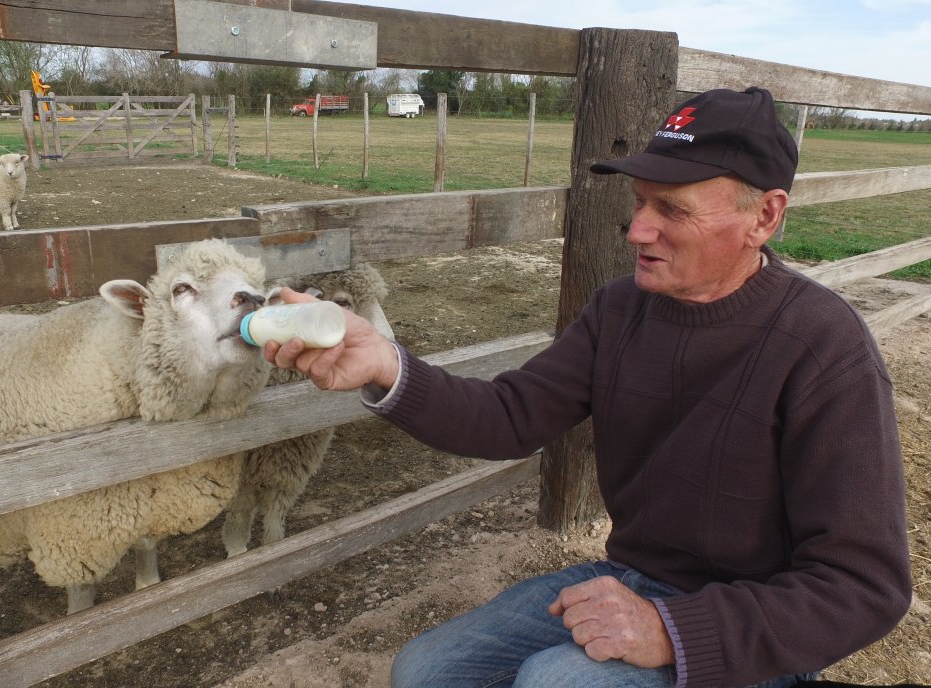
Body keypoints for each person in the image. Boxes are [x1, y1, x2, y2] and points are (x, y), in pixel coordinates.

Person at [264, 87, 912, 688]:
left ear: (764, 217)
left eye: (672, 211)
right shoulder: (620, 310)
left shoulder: (824, 348)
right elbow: (510, 416)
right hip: (633, 577)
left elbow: (864, 586)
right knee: (425, 670)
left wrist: (674, 631)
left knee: (555, 681)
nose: (637, 232)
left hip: (756, 635)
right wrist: (385, 364)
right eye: (639, 204)